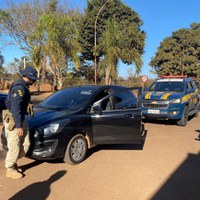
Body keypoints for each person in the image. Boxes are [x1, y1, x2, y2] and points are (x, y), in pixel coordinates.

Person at [3, 66, 39, 179]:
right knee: (14, 145)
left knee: (26, 144)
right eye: (33, 79)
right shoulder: (19, 88)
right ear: (28, 77)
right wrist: (18, 126)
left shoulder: (24, 87)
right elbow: (15, 108)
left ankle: (12, 162)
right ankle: (9, 169)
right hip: (15, 120)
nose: (33, 81)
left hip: (21, 118)